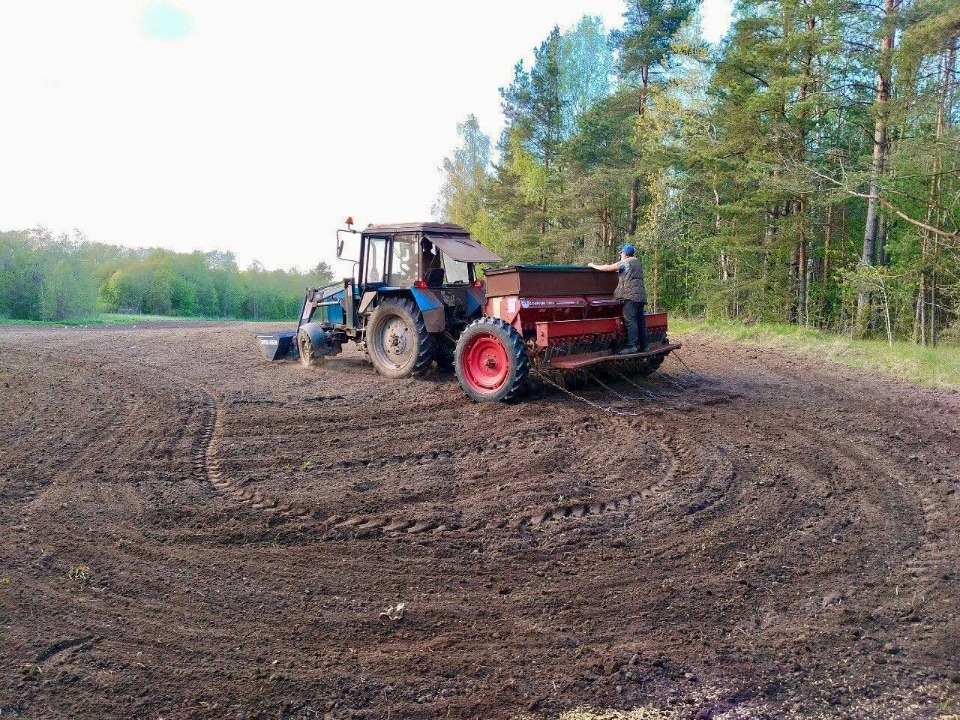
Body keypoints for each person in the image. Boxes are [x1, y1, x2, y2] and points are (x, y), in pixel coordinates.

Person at [589, 244, 647, 354]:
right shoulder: (636, 262)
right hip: (640, 296)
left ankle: (631, 346)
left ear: (625, 254)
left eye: (621, 253)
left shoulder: (626, 262)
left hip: (630, 296)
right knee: (641, 322)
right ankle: (644, 346)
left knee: (630, 321)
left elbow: (607, 268)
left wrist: (593, 265)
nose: (620, 255)